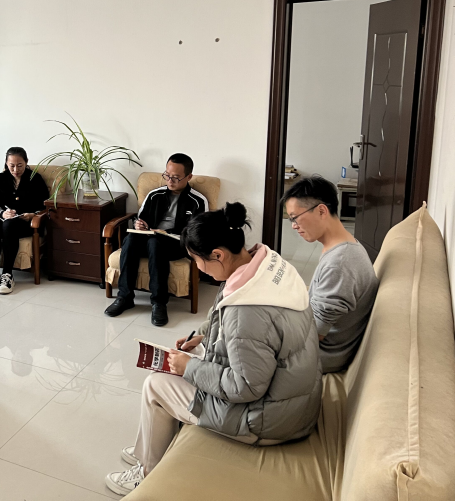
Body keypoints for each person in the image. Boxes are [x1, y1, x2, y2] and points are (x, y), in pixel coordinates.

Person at [105, 203, 322, 496]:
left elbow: (246, 386)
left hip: (269, 420)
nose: (197, 267)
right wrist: (201, 335)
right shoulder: (265, 265)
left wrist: (190, 367)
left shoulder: (247, 312)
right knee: (186, 359)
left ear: (218, 255)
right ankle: (149, 445)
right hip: (292, 403)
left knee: (156, 385)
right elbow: (231, 318)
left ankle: (147, 471)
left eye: (197, 260)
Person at [282, 175, 378, 373]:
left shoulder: (340, 263)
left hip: (317, 356)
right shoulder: (344, 245)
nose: (293, 225)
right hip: (314, 343)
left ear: (321, 210)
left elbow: (312, 335)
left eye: (295, 217)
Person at [105, 153, 208, 326]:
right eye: (167, 175)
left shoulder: (198, 201)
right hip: (150, 237)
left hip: (176, 243)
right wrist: (140, 225)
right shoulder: (154, 195)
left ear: (189, 177)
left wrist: (166, 232)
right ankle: (124, 297)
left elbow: (198, 232)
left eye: (175, 177)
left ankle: (159, 303)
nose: (170, 181)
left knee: (155, 243)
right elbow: (142, 218)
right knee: (131, 239)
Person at [0, 147, 49, 295]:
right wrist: (2, 213)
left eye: (19, 165)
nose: (15, 170)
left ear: (26, 162)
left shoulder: (35, 179)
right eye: (11, 166)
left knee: (9, 225)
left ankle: (7, 275)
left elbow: (46, 204)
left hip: (24, 223)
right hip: (2, 218)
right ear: (6, 163)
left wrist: (32, 215)